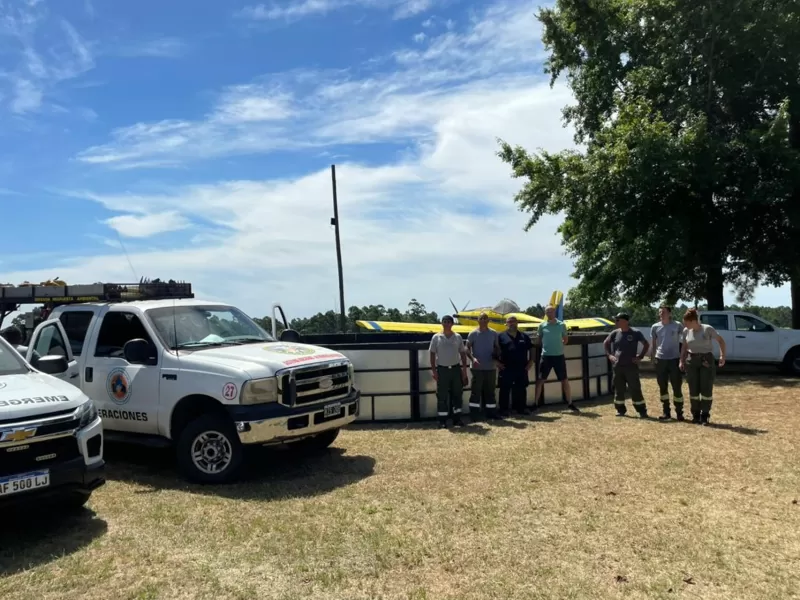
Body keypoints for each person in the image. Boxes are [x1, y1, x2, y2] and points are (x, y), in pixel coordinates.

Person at [679, 308, 726, 425]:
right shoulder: (686, 331)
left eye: (686, 322)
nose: (685, 325)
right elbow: (684, 347)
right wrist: (681, 360)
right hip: (692, 360)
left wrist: (722, 356)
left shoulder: (707, 329)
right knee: (693, 389)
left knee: (706, 388)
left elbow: (721, 341)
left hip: (706, 360)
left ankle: (705, 415)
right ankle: (695, 414)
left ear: (693, 321)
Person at [534, 305, 580, 413]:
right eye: (547, 312)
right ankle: (535, 403)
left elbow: (565, 340)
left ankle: (570, 403)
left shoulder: (561, 325)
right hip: (546, 356)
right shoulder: (542, 326)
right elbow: (539, 340)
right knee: (540, 380)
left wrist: (558, 347)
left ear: (554, 312)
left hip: (559, 356)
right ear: (545, 313)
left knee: (564, 380)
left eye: (551, 311)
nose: (549, 313)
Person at [604, 313, 650, 418]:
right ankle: (620, 410)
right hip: (618, 367)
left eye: (618, 320)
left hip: (631, 367)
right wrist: (609, 355)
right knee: (619, 389)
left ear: (625, 321)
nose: (616, 322)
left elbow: (646, 344)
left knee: (635, 389)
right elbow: (606, 343)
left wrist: (640, 356)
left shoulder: (635, 333)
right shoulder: (615, 333)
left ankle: (642, 411)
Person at [429, 315, 469, 428]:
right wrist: (434, 371)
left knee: (457, 394)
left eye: (448, 322)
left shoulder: (458, 337)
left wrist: (464, 371)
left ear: (452, 324)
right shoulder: (436, 337)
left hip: (456, 369)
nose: (446, 323)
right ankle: (442, 420)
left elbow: (462, 354)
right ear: (441, 323)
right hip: (442, 369)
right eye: (444, 321)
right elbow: (432, 354)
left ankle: (457, 419)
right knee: (442, 396)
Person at [650, 305, 685, 421]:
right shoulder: (655, 327)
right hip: (660, 360)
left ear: (670, 313)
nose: (661, 314)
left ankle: (679, 413)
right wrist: (653, 357)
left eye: (663, 312)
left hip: (674, 359)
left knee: (676, 387)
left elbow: (686, 339)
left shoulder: (677, 325)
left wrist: (682, 357)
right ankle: (666, 412)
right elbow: (654, 343)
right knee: (662, 387)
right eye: (660, 312)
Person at [496, 316, 534, 416]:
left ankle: (521, 408)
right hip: (506, 367)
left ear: (517, 323)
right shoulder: (500, 336)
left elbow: (531, 348)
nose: (511, 323)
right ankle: (503, 409)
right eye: (509, 322)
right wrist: (497, 363)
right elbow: (494, 350)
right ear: (506, 324)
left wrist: (531, 361)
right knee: (505, 389)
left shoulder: (524, 336)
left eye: (513, 321)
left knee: (521, 388)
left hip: (522, 367)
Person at [465, 312, 500, 420]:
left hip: (491, 367)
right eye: (481, 318)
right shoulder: (473, 334)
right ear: (478, 320)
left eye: (485, 318)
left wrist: (497, 356)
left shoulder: (494, 333)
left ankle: (491, 414)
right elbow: (466, 348)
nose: (483, 320)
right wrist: (472, 359)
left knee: (490, 391)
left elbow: (497, 347)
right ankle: (474, 415)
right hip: (477, 368)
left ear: (488, 320)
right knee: (476, 392)